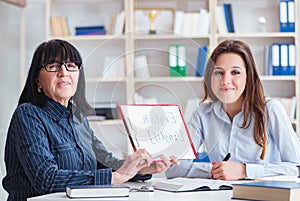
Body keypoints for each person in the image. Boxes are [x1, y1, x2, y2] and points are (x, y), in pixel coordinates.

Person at [2, 39, 179, 201]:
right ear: (37, 80)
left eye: (70, 65)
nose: (64, 72)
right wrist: (115, 177)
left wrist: (143, 168)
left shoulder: (77, 117)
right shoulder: (28, 115)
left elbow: (105, 161)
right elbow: (46, 179)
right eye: (53, 66)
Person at [166, 39, 300, 180]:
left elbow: (296, 166)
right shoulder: (202, 114)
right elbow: (174, 167)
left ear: (248, 78)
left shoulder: (270, 109)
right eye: (218, 73)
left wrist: (245, 171)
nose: (225, 80)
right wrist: (215, 171)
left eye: (235, 72)